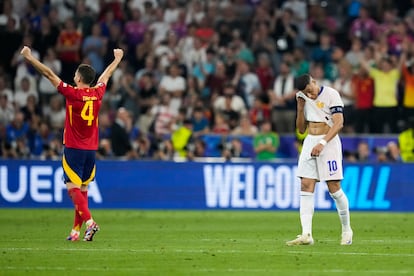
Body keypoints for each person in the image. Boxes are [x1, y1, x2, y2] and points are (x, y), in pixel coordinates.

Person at [20, 45, 124, 242]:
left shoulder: (73, 94)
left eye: (75, 74)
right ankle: (76, 231)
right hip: (91, 150)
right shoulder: (97, 93)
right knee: (82, 191)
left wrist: (29, 57)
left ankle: (91, 223)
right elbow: (106, 76)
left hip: (74, 148)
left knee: (72, 189)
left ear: (78, 78)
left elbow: (49, 74)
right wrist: (117, 59)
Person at [286, 74, 353, 246]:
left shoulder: (331, 94)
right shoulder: (302, 97)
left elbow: (339, 123)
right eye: (306, 93)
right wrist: (300, 108)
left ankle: (346, 230)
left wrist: (322, 143)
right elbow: (301, 129)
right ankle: (306, 234)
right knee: (306, 185)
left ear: (314, 82)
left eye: (311, 91)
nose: (310, 95)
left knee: (334, 188)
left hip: (328, 142)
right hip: (310, 141)